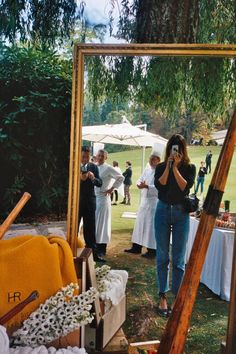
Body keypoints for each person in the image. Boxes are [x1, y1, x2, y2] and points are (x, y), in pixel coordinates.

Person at [154, 134, 196, 317]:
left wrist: (177, 168)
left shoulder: (190, 167)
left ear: (183, 150)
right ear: (169, 149)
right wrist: (169, 167)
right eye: (172, 147)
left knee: (178, 258)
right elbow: (160, 185)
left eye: (178, 147)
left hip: (181, 214)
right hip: (162, 211)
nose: (175, 150)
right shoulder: (162, 166)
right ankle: (162, 296)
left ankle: (177, 298)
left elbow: (184, 188)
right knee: (162, 255)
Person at [124, 151, 161, 258]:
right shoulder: (147, 169)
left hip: (153, 201)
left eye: (154, 159)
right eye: (150, 158)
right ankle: (136, 246)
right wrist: (139, 184)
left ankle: (152, 250)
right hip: (144, 201)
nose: (151, 160)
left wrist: (147, 186)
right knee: (139, 224)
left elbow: (160, 187)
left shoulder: (161, 172)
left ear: (158, 160)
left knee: (150, 226)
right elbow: (140, 179)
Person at [95, 149, 124, 258]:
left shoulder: (108, 168)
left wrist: (112, 189)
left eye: (102, 156)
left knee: (102, 224)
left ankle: (102, 248)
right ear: (96, 156)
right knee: (94, 223)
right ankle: (94, 246)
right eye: (99, 155)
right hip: (94, 198)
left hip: (103, 198)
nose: (100, 157)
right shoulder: (93, 166)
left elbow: (121, 177)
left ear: (106, 157)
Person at [78, 146, 103, 262]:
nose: (85, 159)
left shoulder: (93, 167)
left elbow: (99, 183)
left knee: (90, 230)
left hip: (90, 203)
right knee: (75, 229)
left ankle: (93, 255)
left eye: (87, 157)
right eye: (83, 156)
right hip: (77, 203)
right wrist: (79, 178)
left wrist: (93, 179)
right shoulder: (75, 166)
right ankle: (72, 253)